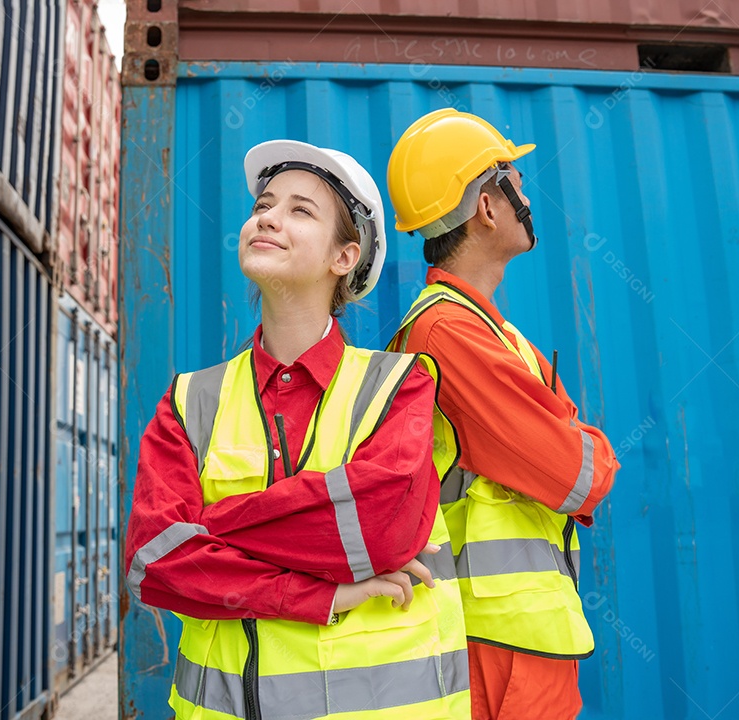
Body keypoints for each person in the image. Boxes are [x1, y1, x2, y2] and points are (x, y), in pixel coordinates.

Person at [125, 139, 471, 720]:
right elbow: (154, 564)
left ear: (344, 258)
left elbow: (378, 529)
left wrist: (207, 529)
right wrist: (324, 592)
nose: (267, 217)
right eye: (264, 204)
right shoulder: (190, 401)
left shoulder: (399, 385)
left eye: (300, 210)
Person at [386, 108, 621, 720]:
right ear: (487, 207)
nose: (526, 196)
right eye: (513, 181)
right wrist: (575, 433)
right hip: (494, 656)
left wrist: (566, 431)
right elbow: (577, 472)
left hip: (521, 647)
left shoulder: (490, 330)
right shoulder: (446, 333)